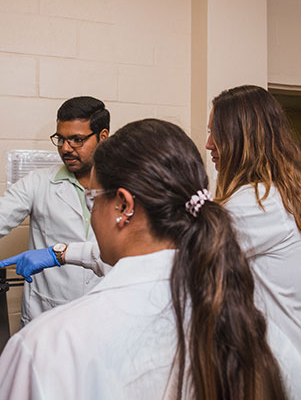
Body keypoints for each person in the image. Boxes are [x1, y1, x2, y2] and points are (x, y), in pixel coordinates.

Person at [0, 119, 287, 400]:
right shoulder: (255, 328)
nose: (67, 147)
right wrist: (59, 253)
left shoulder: (45, 347)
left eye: (93, 200)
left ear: (123, 205)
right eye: (61, 139)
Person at [206, 85, 301, 362]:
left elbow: (179, 257)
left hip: (278, 368)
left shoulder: (258, 203)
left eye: (216, 132)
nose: (209, 143)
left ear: (241, 137)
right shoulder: (276, 193)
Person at [0, 96, 110, 326]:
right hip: (47, 313)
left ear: (103, 137)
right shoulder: (38, 182)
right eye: (61, 139)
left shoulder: (124, 186)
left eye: (77, 140)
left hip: (103, 314)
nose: (66, 148)